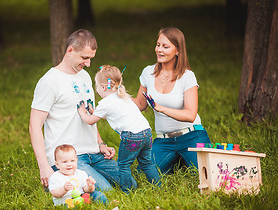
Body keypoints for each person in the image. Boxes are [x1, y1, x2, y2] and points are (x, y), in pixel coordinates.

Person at [29, 29, 119, 192]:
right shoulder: (49, 82)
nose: (88, 64)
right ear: (70, 50)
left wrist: (101, 144)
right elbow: (34, 126)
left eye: (91, 58)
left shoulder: (84, 76)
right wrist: (44, 167)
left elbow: (90, 114)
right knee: (107, 192)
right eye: (84, 58)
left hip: (94, 154)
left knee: (129, 183)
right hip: (70, 159)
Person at [133, 27, 211, 180]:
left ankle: (182, 159)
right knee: (141, 177)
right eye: (158, 45)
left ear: (178, 51)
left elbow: (190, 114)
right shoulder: (147, 72)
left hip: (192, 135)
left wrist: (160, 108)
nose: (159, 50)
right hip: (164, 140)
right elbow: (140, 104)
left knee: (206, 176)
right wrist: (119, 96)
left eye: (165, 46)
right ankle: (178, 160)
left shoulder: (187, 76)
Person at [77, 65, 159, 193]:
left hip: (132, 137)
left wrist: (82, 112)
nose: (97, 89)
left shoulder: (105, 103)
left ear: (103, 87)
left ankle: (127, 192)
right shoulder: (123, 96)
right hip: (146, 133)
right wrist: (95, 112)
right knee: (147, 162)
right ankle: (158, 187)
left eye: (97, 86)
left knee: (124, 165)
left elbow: (90, 120)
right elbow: (113, 114)